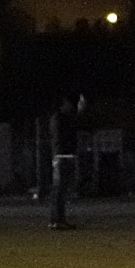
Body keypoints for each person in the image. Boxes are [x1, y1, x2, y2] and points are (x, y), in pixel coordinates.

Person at [49, 97, 81, 230]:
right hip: (62, 157)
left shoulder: (59, 118)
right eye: (68, 104)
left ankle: (57, 220)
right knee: (60, 190)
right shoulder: (59, 119)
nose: (70, 107)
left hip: (62, 156)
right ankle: (57, 220)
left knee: (60, 190)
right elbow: (67, 132)